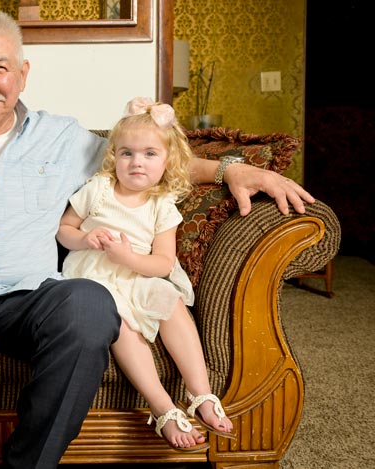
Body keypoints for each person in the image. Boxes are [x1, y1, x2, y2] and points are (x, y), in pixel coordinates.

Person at [0, 10, 313, 468]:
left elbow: (147, 166)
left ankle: (29, 464)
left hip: (31, 294)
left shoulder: (63, 137)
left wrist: (231, 171)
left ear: (23, 74)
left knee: (91, 306)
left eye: (0, 67)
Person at [57, 97, 236, 453]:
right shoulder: (98, 189)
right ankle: (162, 406)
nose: (137, 162)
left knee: (171, 304)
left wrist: (129, 257)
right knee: (118, 323)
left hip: (141, 275)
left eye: (150, 154)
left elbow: (164, 263)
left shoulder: (161, 204)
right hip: (96, 278)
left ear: (168, 162)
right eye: (127, 153)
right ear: (113, 157)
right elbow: (63, 230)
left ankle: (200, 392)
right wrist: (85, 238)